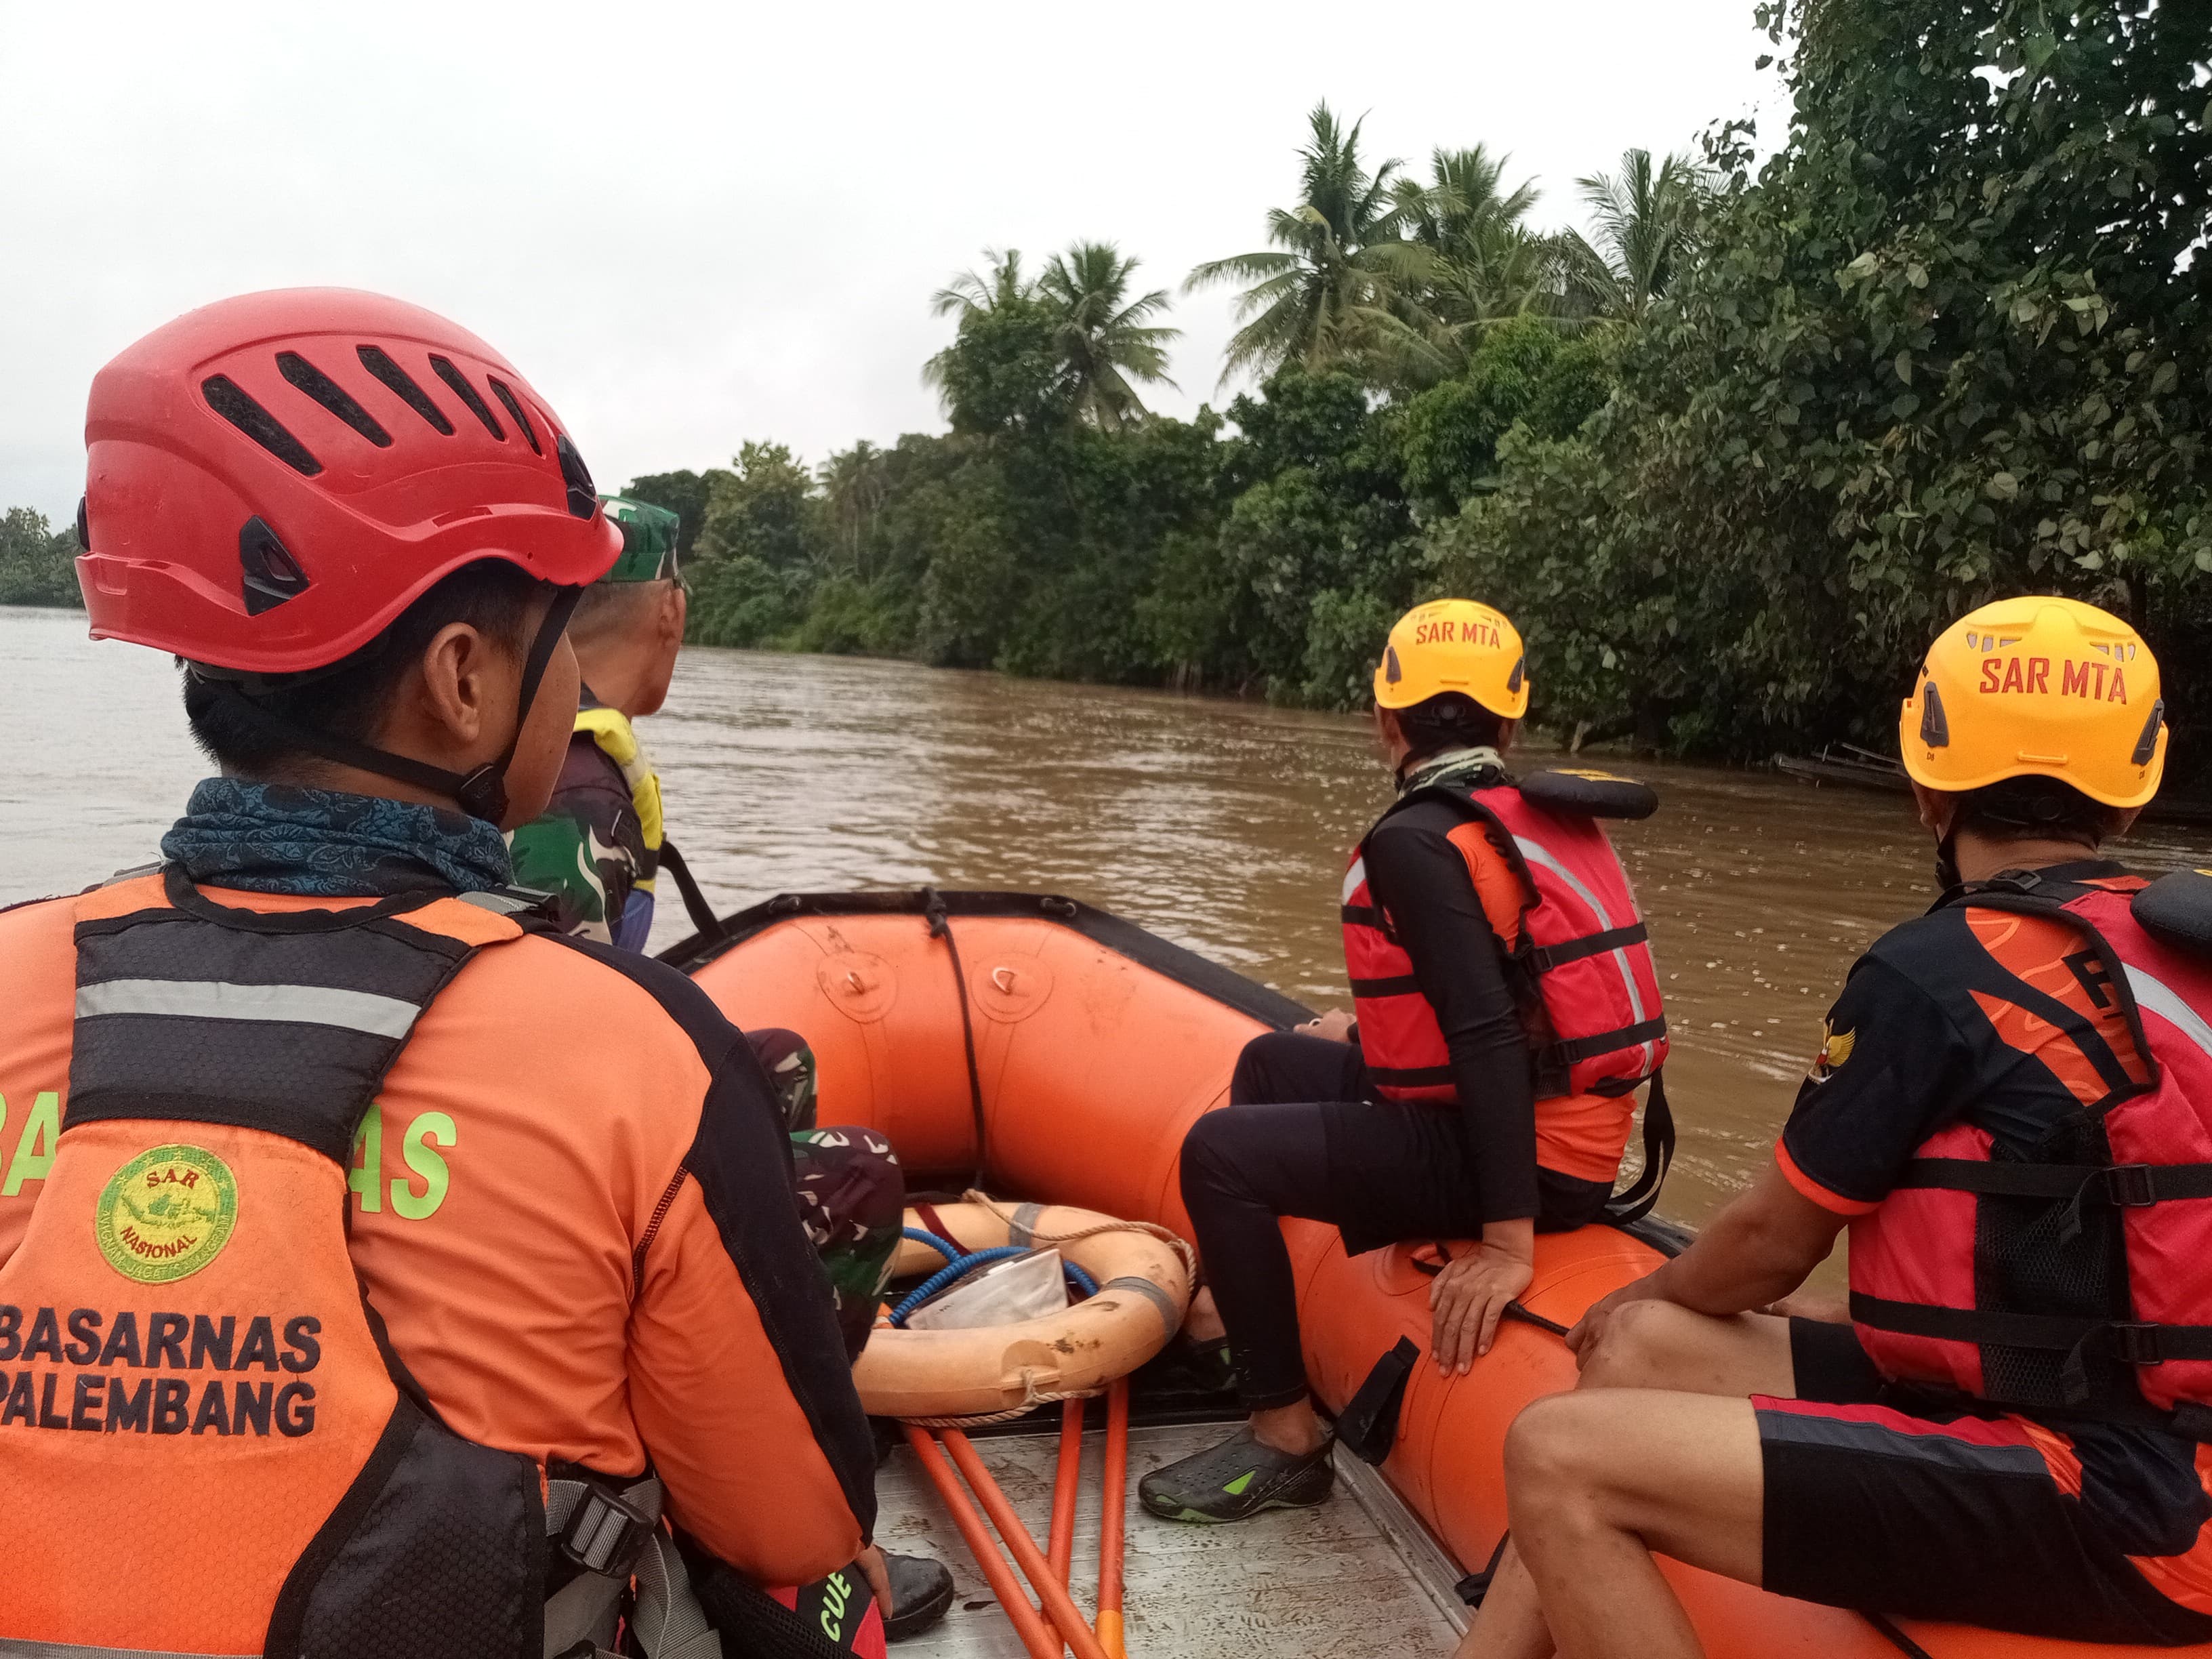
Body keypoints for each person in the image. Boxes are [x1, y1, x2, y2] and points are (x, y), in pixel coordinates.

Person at [0, 289, 888, 1657]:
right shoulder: (633, 1049)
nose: (574, 683)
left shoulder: (18, 967)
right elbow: (799, 1527)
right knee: (820, 1596)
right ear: (463, 680)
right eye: (558, 639)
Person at [1460, 595, 2212, 1658]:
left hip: (2131, 1505)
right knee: (1641, 1345)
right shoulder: (2171, 947)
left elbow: (1770, 1243)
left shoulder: (1937, 968)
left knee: (1556, 1455)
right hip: (2110, 1432)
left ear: (1926, 789)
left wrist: (1635, 1288)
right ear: (2131, 805)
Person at [506, 501, 952, 1639]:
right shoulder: (581, 791)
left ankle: (713, 1411)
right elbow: (549, 1057)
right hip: (544, 1183)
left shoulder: (551, 753)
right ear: (670, 609)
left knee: (777, 1066)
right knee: (856, 1176)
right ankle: (770, 1527)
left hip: (542, 1121)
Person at [1141, 598, 1671, 1525]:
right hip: (1550, 1128)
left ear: (1384, 719)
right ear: (1511, 724)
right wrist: (1365, 1039)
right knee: (1271, 1062)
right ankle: (1235, 1317)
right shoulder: (1519, 818)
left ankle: (1284, 1439)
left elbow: (1487, 1034)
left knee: (1218, 1155)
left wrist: (1507, 1246)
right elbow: (1515, 998)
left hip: (1532, 1162)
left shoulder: (1417, 839)